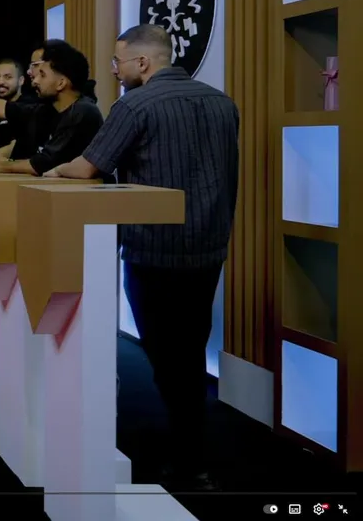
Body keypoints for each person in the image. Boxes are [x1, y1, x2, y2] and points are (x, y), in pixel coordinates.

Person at [45, 24, 240, 491]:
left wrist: (53, 171)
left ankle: (187, 459)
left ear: (143, 62)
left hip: (153, 249)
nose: (114, 71)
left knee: (167, 355)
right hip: (209, 246)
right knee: (190, 348)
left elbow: (89, 167)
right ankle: (193, 453)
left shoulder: (135, 105)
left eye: (118, 62)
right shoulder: (223, 103)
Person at [0, 43, 105, 176]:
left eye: (42, 75)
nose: (34, 80)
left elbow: (42, 163)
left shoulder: (83, 112)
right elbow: (4, 108)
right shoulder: (46, 110)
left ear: (61, 83)